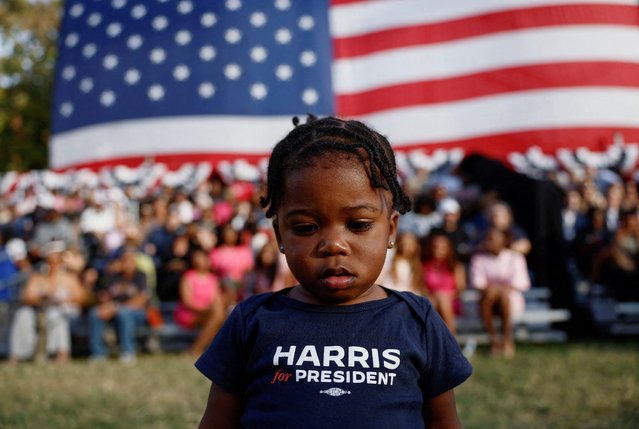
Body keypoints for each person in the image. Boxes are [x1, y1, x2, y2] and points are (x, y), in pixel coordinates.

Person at [196, 116, 472, 428]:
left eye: (358, 225)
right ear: (280, 236)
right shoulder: (252, 322)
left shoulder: (417, 321)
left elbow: (444, 422)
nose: (334, 245)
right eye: (305, 227)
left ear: (391, 229)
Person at [8, 241, 85, 363]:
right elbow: (27, 297)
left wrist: (64, 300)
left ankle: (61, 353)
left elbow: (81, 298)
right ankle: (19, 355)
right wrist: (42, 298)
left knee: (55, 314)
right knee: (23, 314)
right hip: (40, 309)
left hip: (65, 311)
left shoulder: (70, 277)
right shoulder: (38, 276)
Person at [470, 228, 531, 358]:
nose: (489, 243)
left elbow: (521, 282)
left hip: (510, 299)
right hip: (488, 299)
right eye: (488, 239)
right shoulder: (479, 258)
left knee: (503, 297)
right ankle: (494, 340)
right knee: (489, 297)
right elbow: (477, 282)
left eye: (493, 240)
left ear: (503, 241)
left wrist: (500, 290)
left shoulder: (515, 257)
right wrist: (493, 290)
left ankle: (507, 339)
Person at [88, 247, 149, 363]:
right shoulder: (114, 276)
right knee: (95, 313)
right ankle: (98, 353)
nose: (127, 263)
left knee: (124, 314)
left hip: (137, 313)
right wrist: (105, 305)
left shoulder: (140, 275)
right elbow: (105, 296)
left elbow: (141, 300)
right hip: (115, 310)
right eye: (125, 260)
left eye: (130, 260)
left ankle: (128, 352)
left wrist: (117, 307)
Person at [174, 248, 225, 357]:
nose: (201, 260)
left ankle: (196, 349)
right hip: (189, 313)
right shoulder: (188, 277)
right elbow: (187, 303)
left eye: (203, 257)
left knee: (219, 317)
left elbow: (216, 300)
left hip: (208, 313)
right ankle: (197, 349)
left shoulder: (213, 279)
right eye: (197, 258)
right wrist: (206, 310)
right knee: (218, 317)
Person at [422, 232, 466, 335]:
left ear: (448, 249)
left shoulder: (456, 266)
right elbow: (422, 287)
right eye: (435, 246)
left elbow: (460, 288)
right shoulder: (424, 266)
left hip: (452, 302)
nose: (438, 249)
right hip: (431, 300)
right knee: (432, 302)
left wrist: (445, 296)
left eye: (442, 247)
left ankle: (451, 338)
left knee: (443, 300)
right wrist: (434, 296)